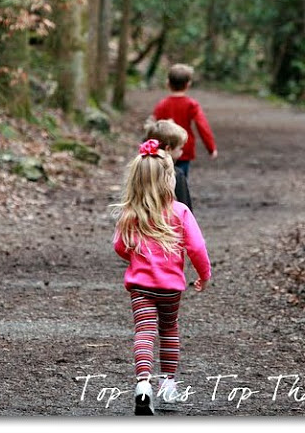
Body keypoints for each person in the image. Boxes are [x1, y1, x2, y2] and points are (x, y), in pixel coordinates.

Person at [112, 139, 212, 415]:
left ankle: (143, 384)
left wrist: (136, 260)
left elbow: (120, 247)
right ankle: (168, 384)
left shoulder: (130, 214)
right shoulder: (180, 211)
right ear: (168, 180)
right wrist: (204, 274)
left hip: (140, 286)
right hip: (170, 288)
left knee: (144, 331)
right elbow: (197, 247)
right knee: (168, 329)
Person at [152, 63, 218, 178]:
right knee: (181, 177)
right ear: (188, 85)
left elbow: (154, 127)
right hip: (183, 148)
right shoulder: (191, 105)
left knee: (163, 178)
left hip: (163, 149)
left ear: (168, 83)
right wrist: (211, 148)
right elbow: (202, 126)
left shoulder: (161, 105)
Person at [143, 118, 193, 212]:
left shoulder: (142, 168)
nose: (182, 151)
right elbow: (186, 207)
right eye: (180, 148)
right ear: (168, 149)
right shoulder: (176, 174)